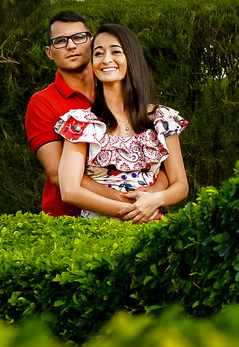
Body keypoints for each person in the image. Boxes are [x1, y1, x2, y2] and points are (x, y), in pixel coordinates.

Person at [24, 11, 167, 218]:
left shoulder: (117, 86)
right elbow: (58, 175)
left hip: (141, 214)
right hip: (71, 221)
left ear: (91, 42)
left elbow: (155, 162)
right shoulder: (42, 103)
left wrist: (153, 195)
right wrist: (129, 201)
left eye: (79, 37)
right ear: (49, 52)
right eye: (60, 41)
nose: (71, 46)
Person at [56, 24, 189, 223]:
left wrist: (155, 200)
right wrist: (133, 210)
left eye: (116, 51)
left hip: (151, 225)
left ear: (131, 58)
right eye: (98, 53)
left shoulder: (162, 119)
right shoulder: (81, 123)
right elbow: (69, 190)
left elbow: (180, 184)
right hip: (97, 232)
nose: (106, 59)